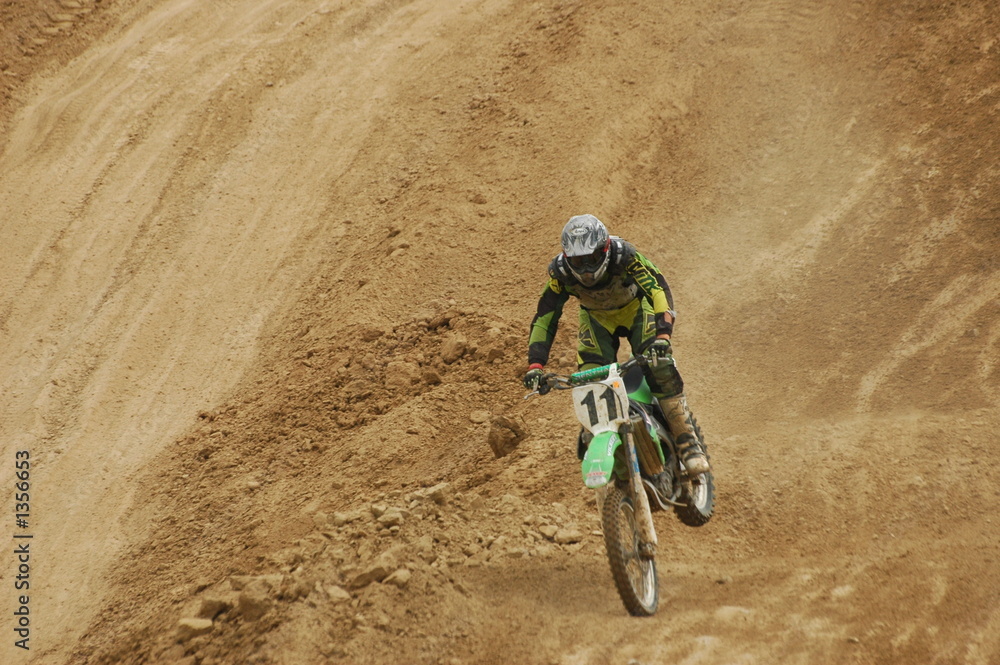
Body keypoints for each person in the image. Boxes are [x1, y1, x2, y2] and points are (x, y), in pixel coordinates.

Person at [522, 214, 710, 475]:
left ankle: (687, 441)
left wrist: (663, 337)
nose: (586, 269)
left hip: (637, 311)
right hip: (596, 320)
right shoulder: (560, 273)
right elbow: (545, 317)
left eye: (591, 258)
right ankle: (606, 448)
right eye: (578, 261)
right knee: (590, 382)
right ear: (566, 257)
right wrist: (535, 365)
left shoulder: (625, 257)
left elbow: (658, 290)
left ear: (605, 249)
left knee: (658, 366)